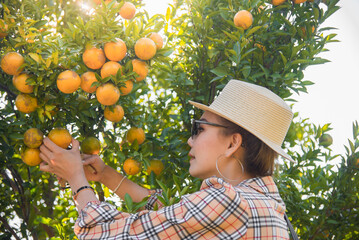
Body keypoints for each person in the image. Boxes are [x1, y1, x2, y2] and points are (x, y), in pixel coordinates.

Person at [39, 79, 295, 239]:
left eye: (199, 128)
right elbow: (172, 217)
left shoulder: (231, 202)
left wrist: (77, 178)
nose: (190, 140)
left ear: (232, 143)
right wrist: (105, 174)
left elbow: (102, 234)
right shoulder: (266, 207)